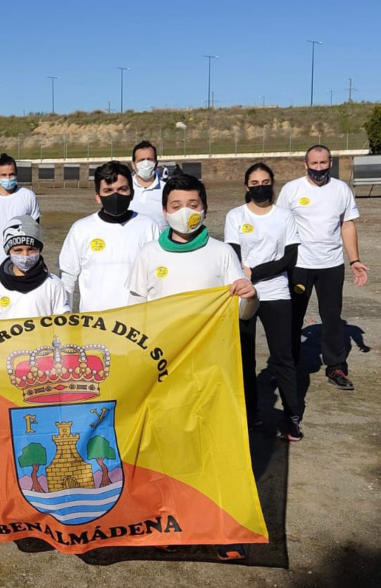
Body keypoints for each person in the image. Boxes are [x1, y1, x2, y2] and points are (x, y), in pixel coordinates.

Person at [126, 173, 258, 562]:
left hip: (213, 369)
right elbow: (136, 314)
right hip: (164, 369)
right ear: (164, 211)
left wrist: (251, 296)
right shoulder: (149, 255)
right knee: (169, 449)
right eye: (177, 205)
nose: (186, 212)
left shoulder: (221, 253)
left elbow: (243, 311)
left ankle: (223, 527)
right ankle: (171, 520)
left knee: (217, 446)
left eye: (193, 205)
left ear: (205, 208)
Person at [276, 144, 369, 391]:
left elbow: (347, 225)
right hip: (299, 265)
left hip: (331, 265)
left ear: (331, 163)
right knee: (292, 317)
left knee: (332, 318)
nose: (319, 168)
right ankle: (288, 368)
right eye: (314, 163)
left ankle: (336, 367)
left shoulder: (341, 189)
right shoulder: (291, 190)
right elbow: (279, 226)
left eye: (323, 163)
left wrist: (354, 260)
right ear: (305, 164)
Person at [224, 163, 303, 441]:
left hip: (276, 292)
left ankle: (291, 417)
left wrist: (254, 273)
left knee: (283, 357)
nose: (260, 187)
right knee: (244, 358)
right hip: (243, 294)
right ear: (247, 186)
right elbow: (232, 253)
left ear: (272, 183)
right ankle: (250, 412)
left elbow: (289, 257)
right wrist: (244, 279)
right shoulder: (235, 215)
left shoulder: (284, 215)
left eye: (265, 182)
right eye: (255, 183)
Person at [59, 160, 160, 312]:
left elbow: (156, 277)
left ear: (132, 193)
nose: (115, 196)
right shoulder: (81, 229)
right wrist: (65, 316)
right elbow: (67, 278)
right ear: (98, 196)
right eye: (108, 190)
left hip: (135, 320)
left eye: (122, 189)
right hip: (94, 321)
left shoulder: (148, 226)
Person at [0, 216, 69, 320]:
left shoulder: (53, 284)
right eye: (18, 250)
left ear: (39, 249)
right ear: (8, 251)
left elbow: (63, 321)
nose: (25, 255)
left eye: (31, 249)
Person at [0, 153, 40, 281]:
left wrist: (22, 253)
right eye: (4, 175)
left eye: (11, 174)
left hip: (22, 266)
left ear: (16, 174)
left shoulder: (28, 196)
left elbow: (34, 230)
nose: (8, 178)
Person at [128, 140, 166, 229]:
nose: (146, 164)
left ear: (156, 163)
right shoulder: (124, 189)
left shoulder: (167, 190)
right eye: (141, 160)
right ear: (133, 165)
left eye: (149, 159)